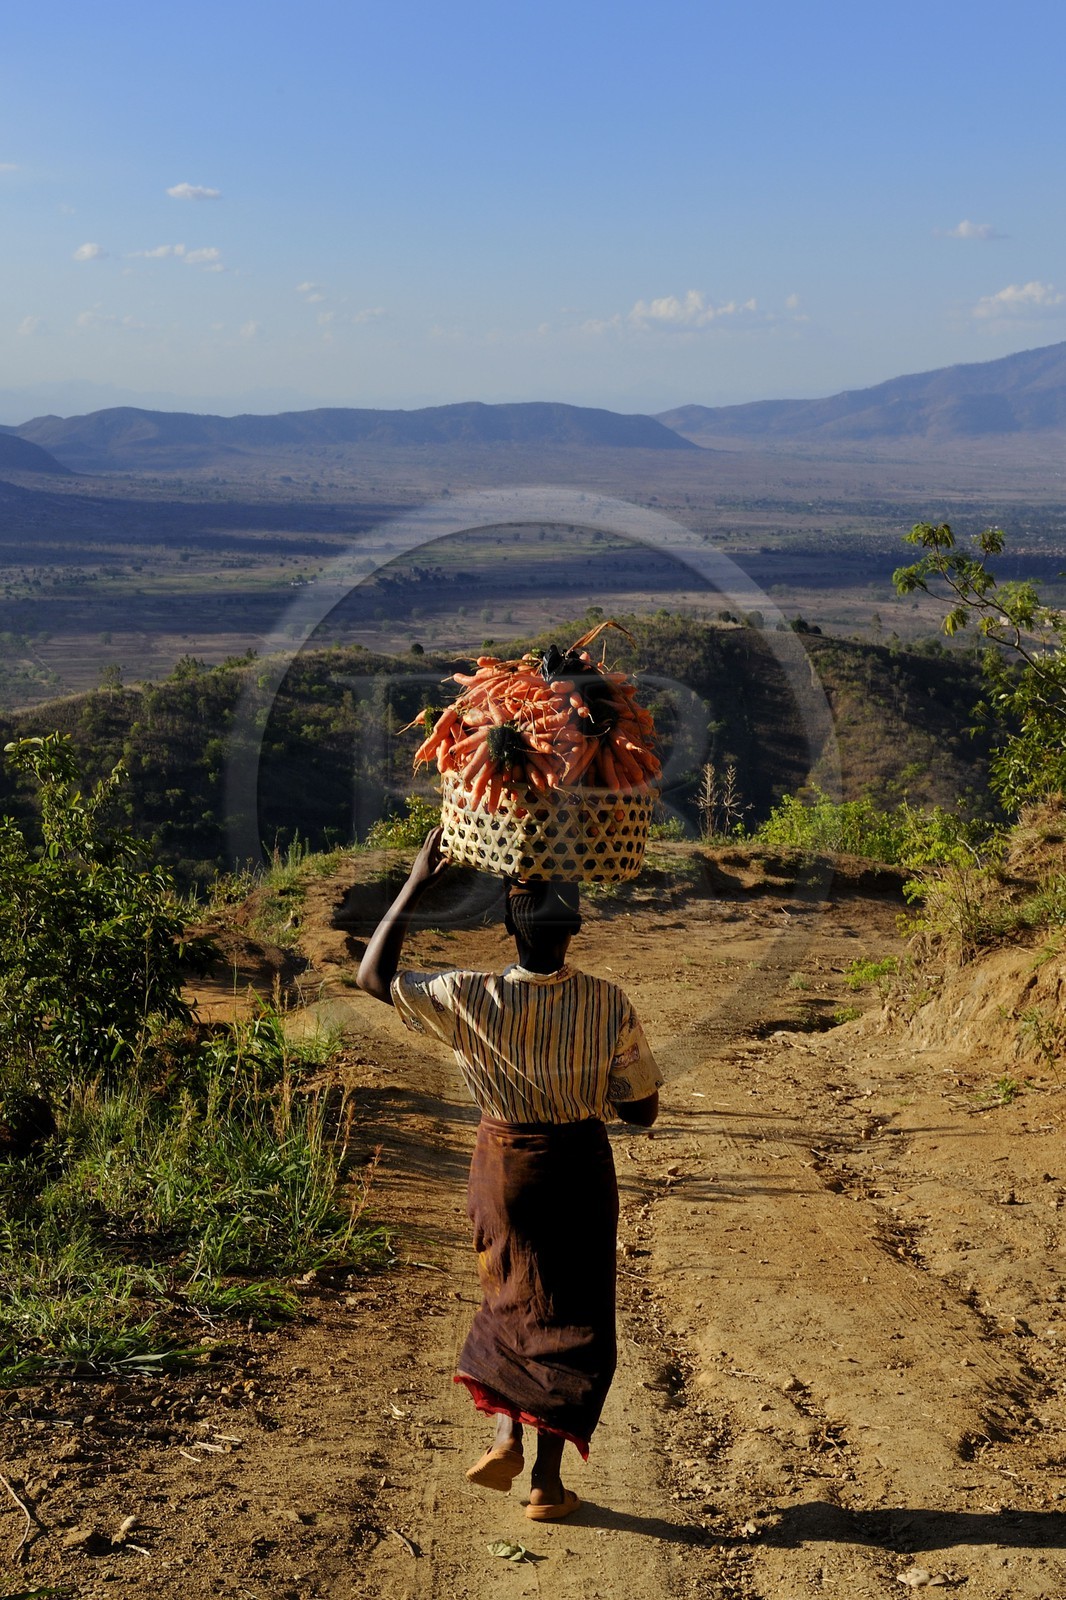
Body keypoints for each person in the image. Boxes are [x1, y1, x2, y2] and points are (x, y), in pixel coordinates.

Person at [357, 826, 660, 1521]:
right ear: (575, 926)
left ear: (506, 925)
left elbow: (371, 976)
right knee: (576, 1314)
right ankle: (547, 1487)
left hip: (503, 1167)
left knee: (511, 1295)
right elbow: (640, 1110)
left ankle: (504, 1437)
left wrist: (418, 879)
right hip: (580, 1168)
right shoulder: (608, 1003)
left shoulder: (468, 994)